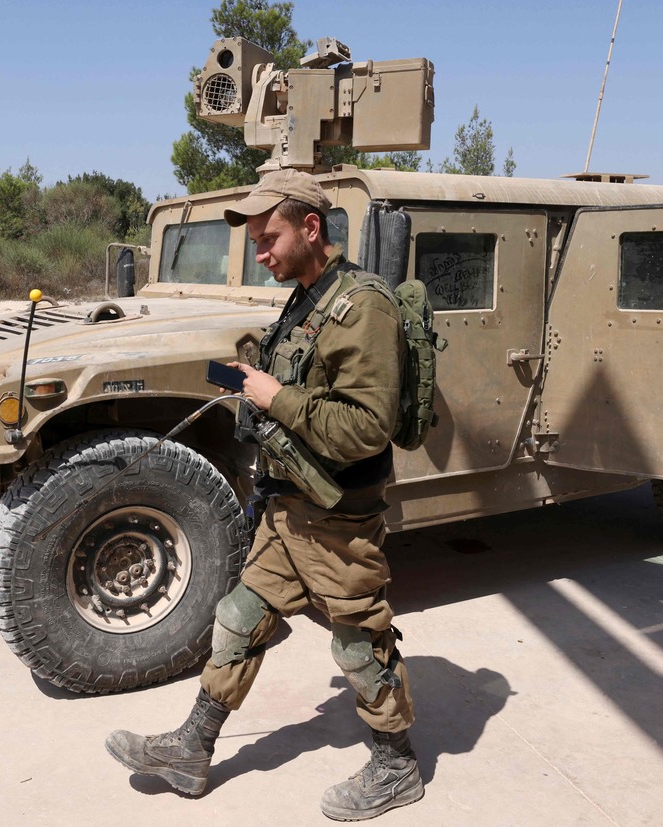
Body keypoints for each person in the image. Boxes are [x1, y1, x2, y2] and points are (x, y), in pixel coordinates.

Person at [104, 168, 422, 821]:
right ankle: (193, 748)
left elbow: (366, 426)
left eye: (268, 236)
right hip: (287, 507)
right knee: (240, 618)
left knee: (360, 642)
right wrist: (237, 377)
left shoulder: (363, 307)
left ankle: (397, 766)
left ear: (311, 227)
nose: (260, 252)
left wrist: (276, 396)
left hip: (338, 519)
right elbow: (290, 382)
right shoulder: (305, 295)